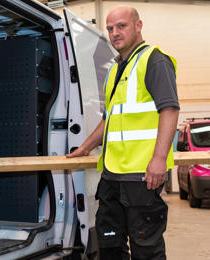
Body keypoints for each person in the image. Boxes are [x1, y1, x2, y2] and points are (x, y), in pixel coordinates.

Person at [67, 5, 179, 260]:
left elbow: (170, 110)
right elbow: (109, 119)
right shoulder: (115, 69)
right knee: (109, 245)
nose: (115, 33)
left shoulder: (154, 60)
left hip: (141, 176)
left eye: (121, 26)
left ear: (138, 26)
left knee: (146, 250)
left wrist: (159, 159)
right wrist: (85, 148)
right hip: (112, 176)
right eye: (110, 28)